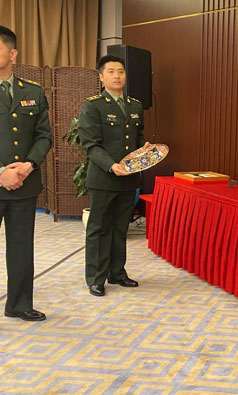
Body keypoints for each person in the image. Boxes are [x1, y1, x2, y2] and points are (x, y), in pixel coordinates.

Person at [78, 54, 148, 297]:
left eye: (120, 71)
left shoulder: (135, 105)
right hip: (103, 178)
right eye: (111, 71)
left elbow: (137, 138)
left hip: (128, 179)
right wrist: (112, 165)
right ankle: (96, 278)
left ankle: (117, 273)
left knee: (120, 228)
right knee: (98, 228)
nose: (116, 75)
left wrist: (145, 150)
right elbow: (90, 144)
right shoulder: (93, 105)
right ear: (101, 76)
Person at [0, 25, 52, 322]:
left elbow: (44, 135)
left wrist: (28, 166)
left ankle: (18, 304)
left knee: (21, 248)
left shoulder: (32, 91)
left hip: (24, 183)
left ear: (13, 53)